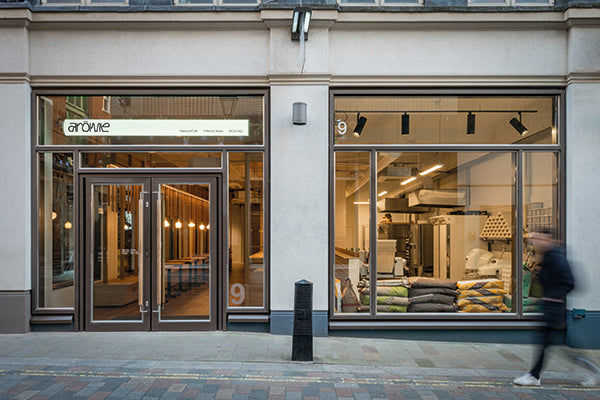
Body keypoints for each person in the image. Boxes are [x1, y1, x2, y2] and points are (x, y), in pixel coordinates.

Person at [513, 229, 599, 387]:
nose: (535, 241)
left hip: (554, 309)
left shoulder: (557, 257)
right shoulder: (548, 256)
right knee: (553, 344)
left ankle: (534, 375)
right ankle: (535, 375)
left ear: (548, 239)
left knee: (550, 344)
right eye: (534, 238)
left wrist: (554, 297)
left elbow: (570, 282)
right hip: (550, 308)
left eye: (538, 238)